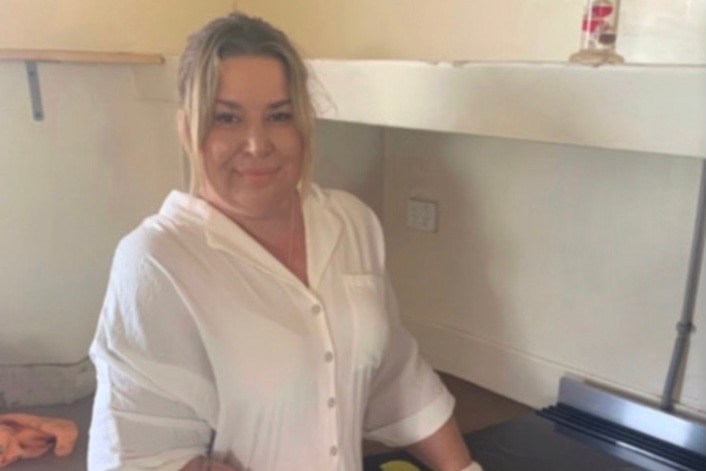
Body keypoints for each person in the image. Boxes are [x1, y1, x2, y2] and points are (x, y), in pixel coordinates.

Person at [87, 12, 482, 471]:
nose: (257, 143)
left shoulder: (352, 222)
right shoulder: (157, 261)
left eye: (278, 115)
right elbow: (133, 453)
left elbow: (395, 375)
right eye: (227, 118)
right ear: (185, 128)